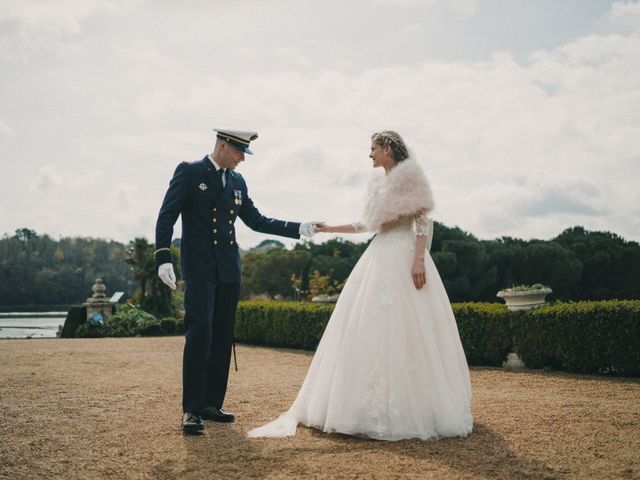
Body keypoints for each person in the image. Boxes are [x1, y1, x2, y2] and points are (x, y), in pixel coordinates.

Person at [248, 130, 473, 441]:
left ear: (389, 150)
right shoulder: (377, 184)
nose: (369, 154)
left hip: (405, 254)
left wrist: (419, 260)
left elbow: (422, 221)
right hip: (380, 254)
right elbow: (366, 224)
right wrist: (329, 228)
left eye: (373, 149)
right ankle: (367, 407)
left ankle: (417, 407)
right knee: (369, 328)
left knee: (409, 327)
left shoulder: (409, 177)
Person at [155, 128, 318, 433]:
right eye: (239, 152)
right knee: (200, 333)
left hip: (229, 268)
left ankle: (212, 404)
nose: (243, 159)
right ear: (223, 145)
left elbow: (257, 221)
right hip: (199, 265)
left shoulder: (238, 181)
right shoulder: (190, 172)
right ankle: (191, 410)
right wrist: (163, 257)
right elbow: (167, 216)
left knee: (222, 335)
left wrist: (298, 228)